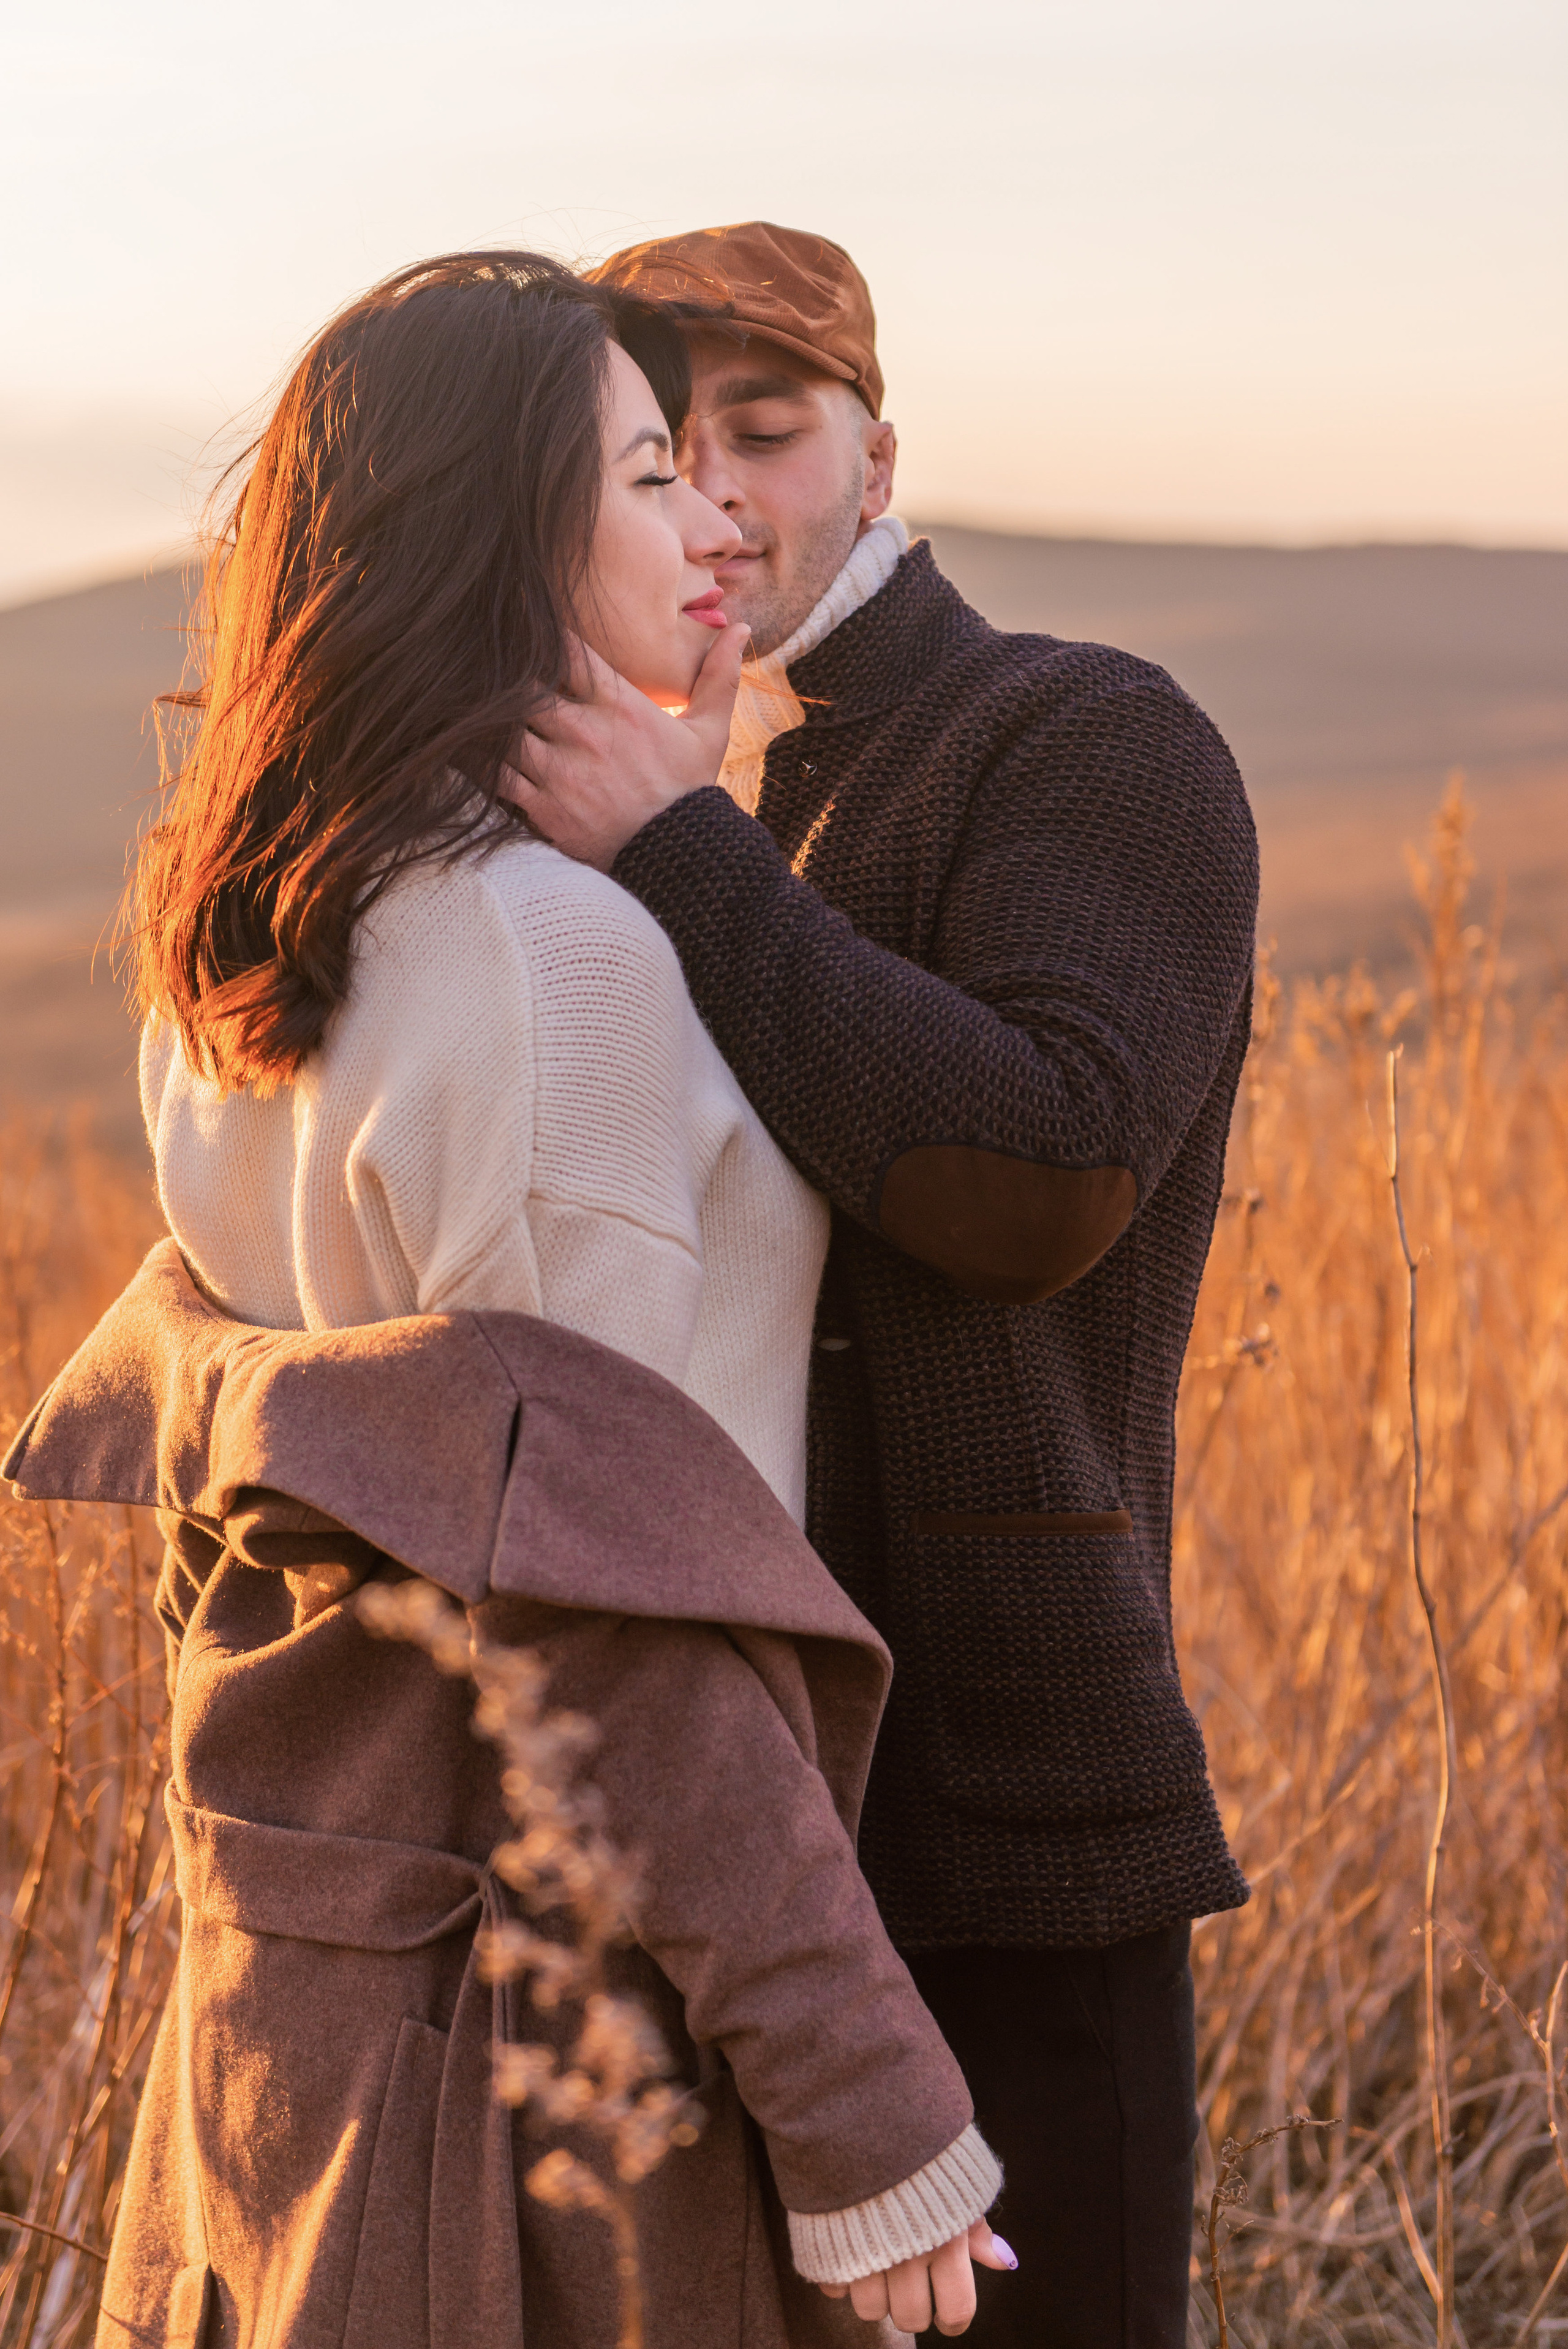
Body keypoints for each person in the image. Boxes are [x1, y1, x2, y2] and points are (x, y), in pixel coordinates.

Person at [39, 249, 1019, 2345]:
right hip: (565, 2012)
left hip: (308, 1969)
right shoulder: (552, 962)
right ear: (502, 528)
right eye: (657, 470)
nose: (716, 525)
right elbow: (611, 1598)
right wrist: (869, 2113)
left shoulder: (251, 925)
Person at [503, 220, 1260, 2348]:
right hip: (725, 1834)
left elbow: (1038, 1173)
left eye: (773, 428)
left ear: (882, 451)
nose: (725, 498)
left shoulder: (1086, 733)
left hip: (1008, 1802)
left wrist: (682, 845)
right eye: (668, 454)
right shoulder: (694, 793)